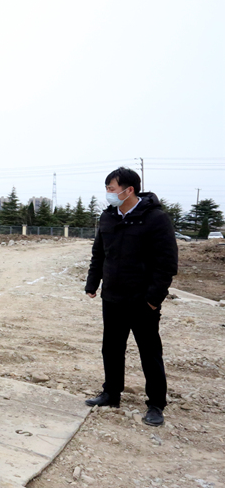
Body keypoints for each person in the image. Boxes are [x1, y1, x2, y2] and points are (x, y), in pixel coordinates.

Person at [84, 167, 178, 427]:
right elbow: (99, 254)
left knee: (149, 352)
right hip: (112, 297)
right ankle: (111, 394)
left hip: (142, 300)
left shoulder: (155, 219)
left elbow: (167, 263)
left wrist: (153, 299)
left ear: (129, 190)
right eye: (106, 189)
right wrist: (92, 283)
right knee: (112, 348)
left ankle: (156, 404)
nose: (108, 193)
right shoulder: (108, 217)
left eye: (111, 189)